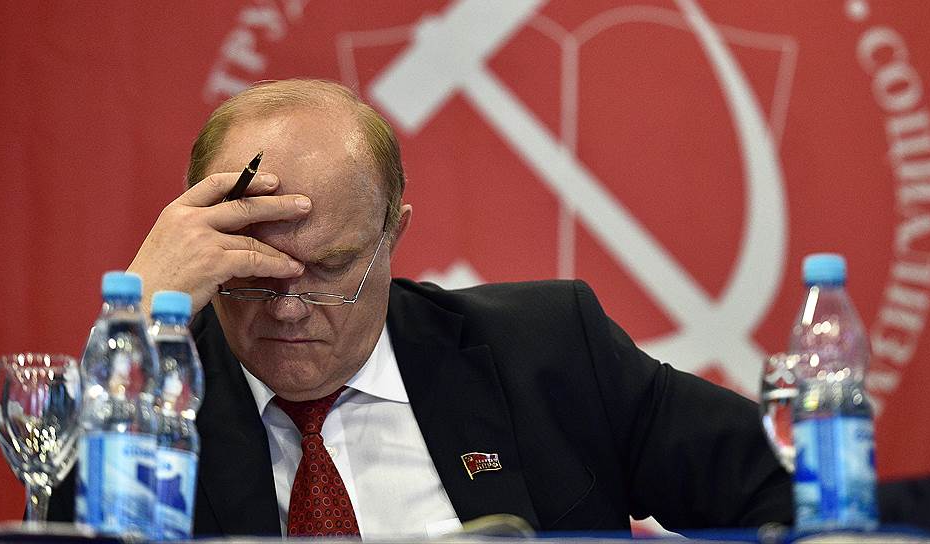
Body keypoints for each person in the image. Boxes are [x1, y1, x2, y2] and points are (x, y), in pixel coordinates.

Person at [49, 79, 791, 537]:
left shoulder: (552, 351)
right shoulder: (151, 402)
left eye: (330, 269)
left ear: (393, 234)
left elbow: (791, 496)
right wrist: (131, 323)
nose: (290, 308)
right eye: (252, 274)